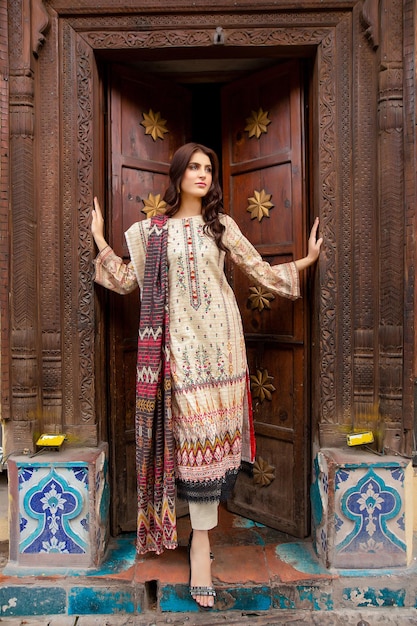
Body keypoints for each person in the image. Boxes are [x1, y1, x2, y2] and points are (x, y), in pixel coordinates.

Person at [91, 142, 322, 609]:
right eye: (193, 167)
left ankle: (201, 542)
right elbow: (124, 279)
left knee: (213, 449)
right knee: (195, 450)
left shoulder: (221, 226)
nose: (202, 175)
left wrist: (305, 262)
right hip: (180, 355)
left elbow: (257, 271)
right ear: (177, 175)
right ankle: (199, 547)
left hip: (224, 354)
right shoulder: (150, 232)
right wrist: (99, 240)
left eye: (208, 169)